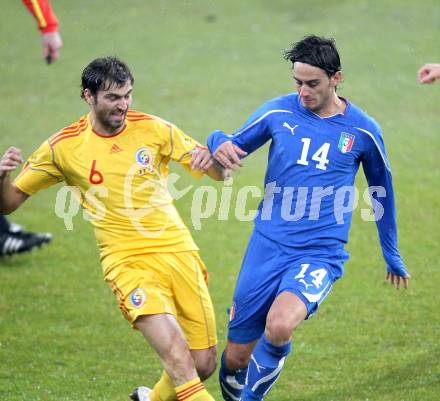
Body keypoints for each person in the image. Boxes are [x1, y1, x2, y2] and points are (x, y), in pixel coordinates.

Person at [0, 56, 226, 401]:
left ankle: (149, 399)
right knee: (179, 359)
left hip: (179, 252)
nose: (123, 105)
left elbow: (215, 172)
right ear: (87, 96)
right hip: (127, 263)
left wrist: (214, 162)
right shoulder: (64, 147)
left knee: (203, 362)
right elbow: (9, 202)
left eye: (127, 95)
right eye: (113, 98)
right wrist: (2, 176)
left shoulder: (154, 128)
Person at [200, 35, 410, 401]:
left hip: (319, 253)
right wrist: (216, 140)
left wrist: (391, 252)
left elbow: (383, 191)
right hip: (266, 246)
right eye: (297, 82)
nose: (303, 92)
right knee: (234, 360)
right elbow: (230, 141)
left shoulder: (362, 131)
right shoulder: (278, 112)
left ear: (336, 78)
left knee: (280, 326)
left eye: (312, 83)